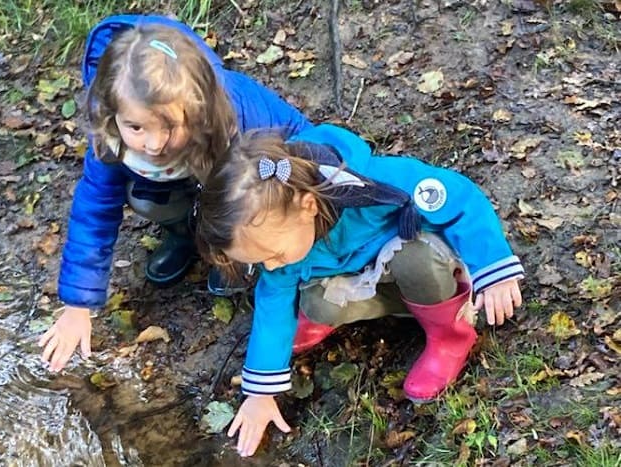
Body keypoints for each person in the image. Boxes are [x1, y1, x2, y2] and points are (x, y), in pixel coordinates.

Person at [196, 124, 524, 457]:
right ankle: (351, 312)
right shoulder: (282, 236)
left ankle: (449, 336)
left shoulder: (373, 183)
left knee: (416, 262)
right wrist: (260, 394)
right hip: (363, 280)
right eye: (259, 262)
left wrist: (493, 268)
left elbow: (457, 196)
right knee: (314, 302)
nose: (271, 266)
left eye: (273, 255)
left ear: (309, 206)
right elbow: (272, 303)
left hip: (421, 267)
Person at [39, 14, 310, 372]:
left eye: (168, 127)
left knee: (241, 202)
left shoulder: (234, 114)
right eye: (136, 127)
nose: (153, 144)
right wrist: (77, 306)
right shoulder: (112, 139)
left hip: (242, 181)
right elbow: (94, 211)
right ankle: (185, 236)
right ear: (111, 114)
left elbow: (302, 139)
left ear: (197, 111)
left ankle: (227, 251)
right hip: (178, 189)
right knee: (143, 196)